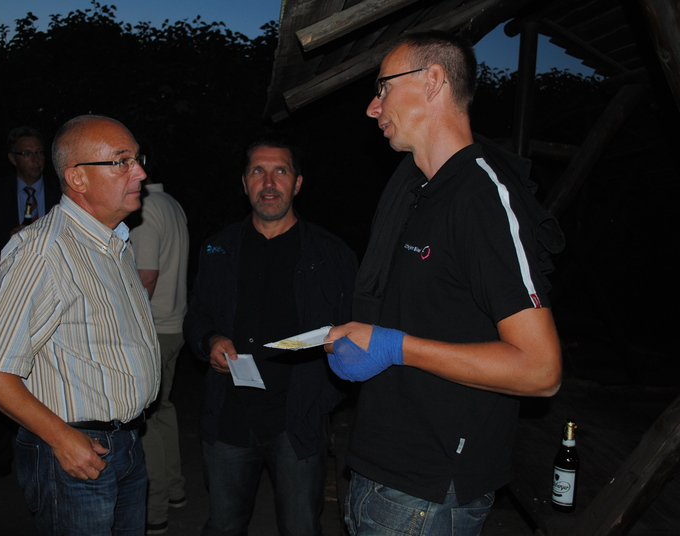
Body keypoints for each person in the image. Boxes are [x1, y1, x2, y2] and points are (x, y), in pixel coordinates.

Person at [324, 31, 565, 536]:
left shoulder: (480, 198)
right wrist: (368, 336)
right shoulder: (419, 193)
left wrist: (394, 346)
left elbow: (540, 370)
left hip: (428, 491)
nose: (373, 107)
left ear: (433, 81)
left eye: (383, 87)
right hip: (384, 469)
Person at [0, 115, 161, 535]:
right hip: (75, 454)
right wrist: (62, 439)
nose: (140, 172)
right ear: (77, 178)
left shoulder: (113, 242)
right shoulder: (45, 251)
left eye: (137, 159)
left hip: (125, 444)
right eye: (121, 161)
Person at [184, 138, 358, 536]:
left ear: (297, 183)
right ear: (244, 183)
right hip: (228, 418)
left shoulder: (331, 255)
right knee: (224, 526)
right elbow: (196, 315)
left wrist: (324, 401)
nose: (268, 182)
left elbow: (355, 332)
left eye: (280, 171)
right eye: (257, 172)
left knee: (301, 528)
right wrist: (209, 340)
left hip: (297, 423)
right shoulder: (218, 248)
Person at [0, 126, 62, 487]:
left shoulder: (60, 192)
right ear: (12, 158)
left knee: (46, 378)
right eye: (27, 153)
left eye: (40, 152)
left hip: (49, 298)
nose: (36, 160)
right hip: (3, 296)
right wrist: (5, 242)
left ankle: (48, 451)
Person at [129, 177, 189, 535]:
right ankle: (176, 490)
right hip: (174, 325)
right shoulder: (171, 203)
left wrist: (125, 327)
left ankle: (155, 511)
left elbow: (146, 277)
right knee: (162, 410)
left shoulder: (146, 208)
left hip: (153, 329)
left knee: (144, 420)